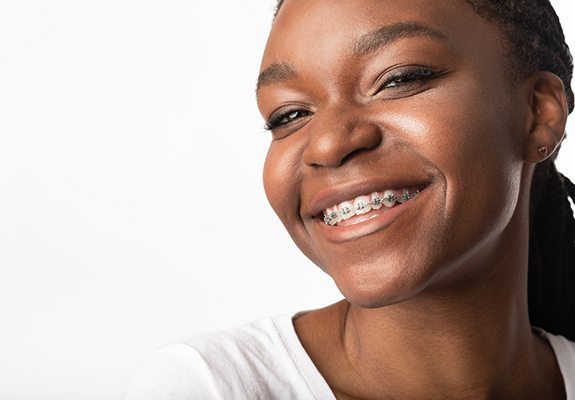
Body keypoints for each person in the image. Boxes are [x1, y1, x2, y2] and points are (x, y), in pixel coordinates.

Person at [124, 0, 575, 398]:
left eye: (398, 79)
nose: (327, 144)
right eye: (290, 114)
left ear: (539, 114)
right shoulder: (208, 387)